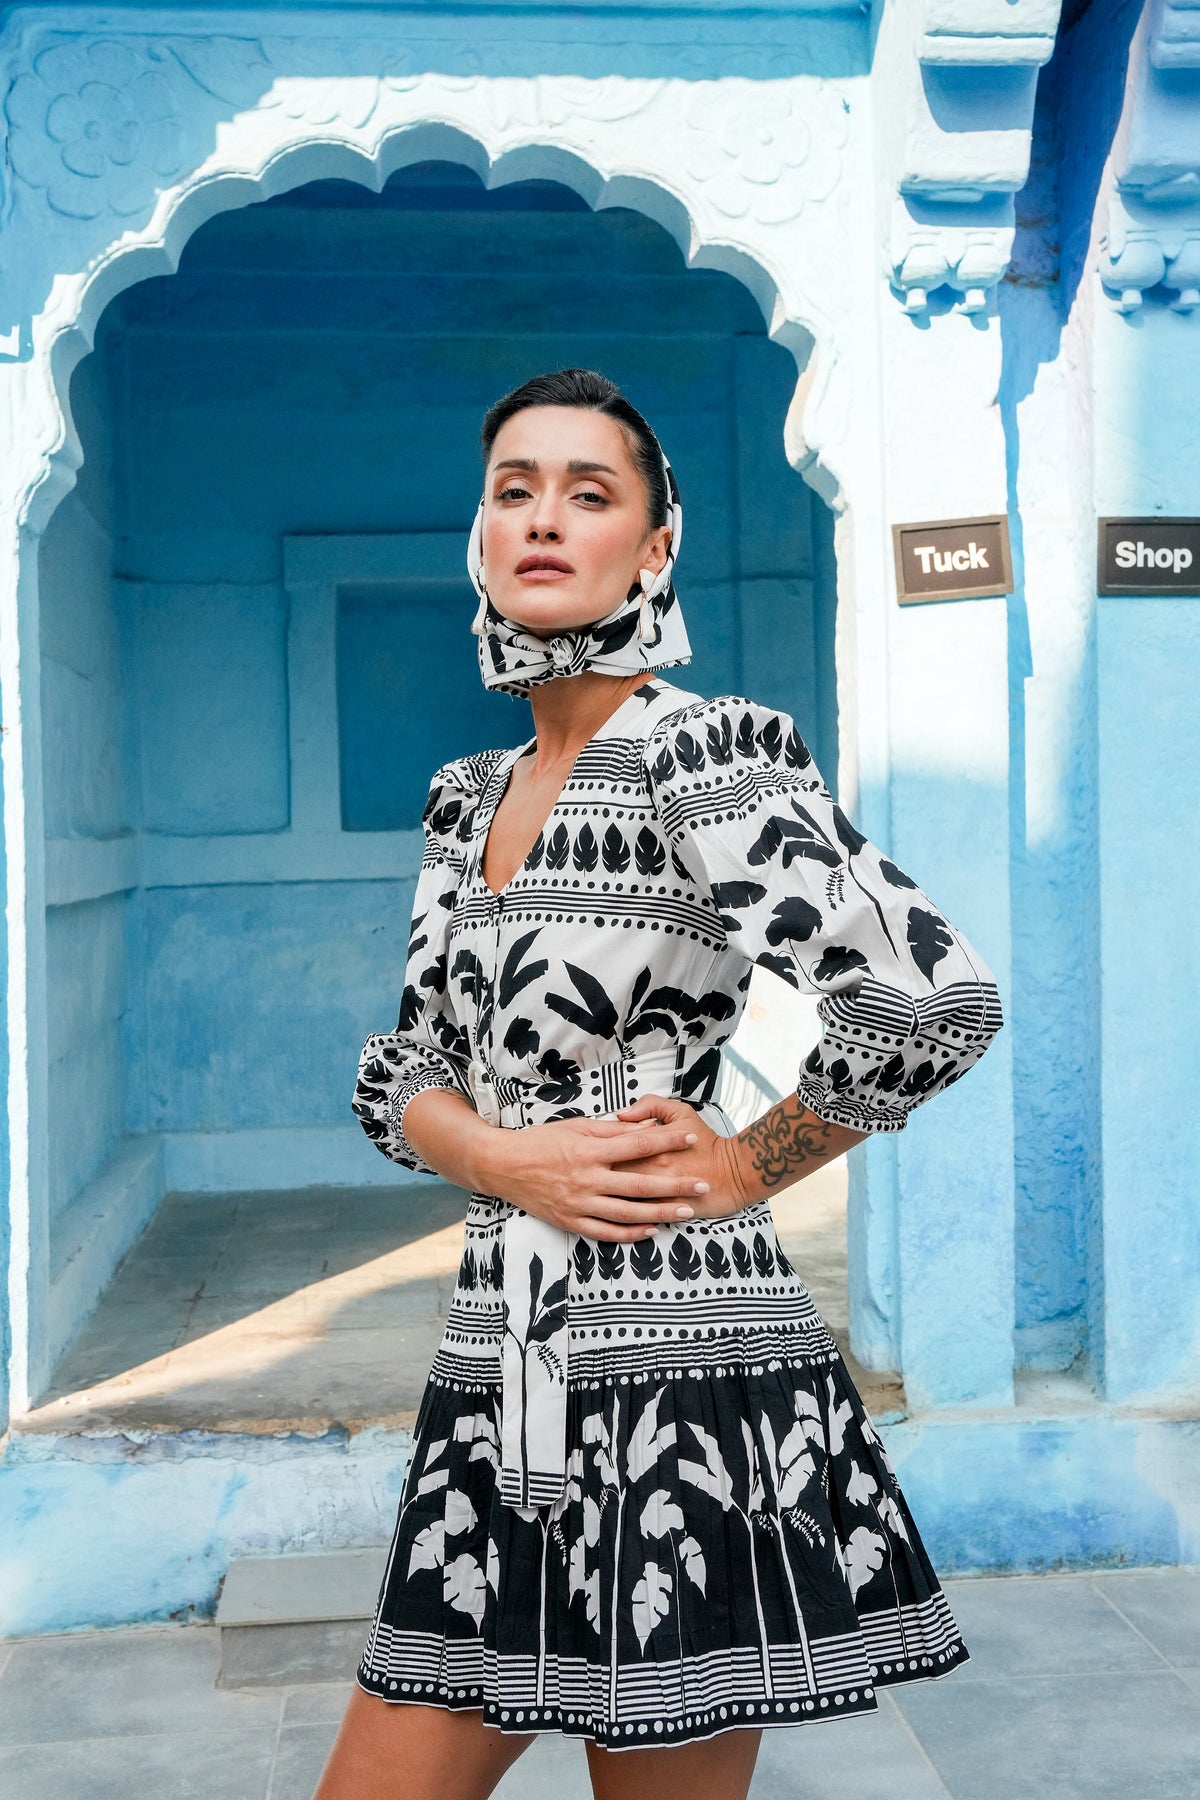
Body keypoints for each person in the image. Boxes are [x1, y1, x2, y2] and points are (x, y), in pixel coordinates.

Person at [314, 368, 1003, 1800]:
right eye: (514, 490)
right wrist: (498, 1158)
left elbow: (934, 997)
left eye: (590, 492)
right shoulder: (464, 797)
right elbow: (412, 1066)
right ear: (478, 535)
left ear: (654, 543)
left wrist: (748, 1162)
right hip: (498, 1357)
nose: (543, 519)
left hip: (682, 1363)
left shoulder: (706, 752)